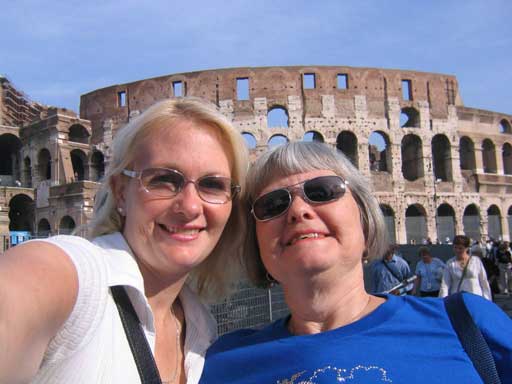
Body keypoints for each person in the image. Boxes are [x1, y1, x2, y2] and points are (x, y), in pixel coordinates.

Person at [199, 141, 512, 384]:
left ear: (364, 219)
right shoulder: (220, 363)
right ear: (256, 243)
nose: (298, 211)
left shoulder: (467, 324)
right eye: (273, 204)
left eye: (321, 191)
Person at [0, 97, 249, 384]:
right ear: (120, 193)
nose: (190, 207)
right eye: (163, 179)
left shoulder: (202, 329)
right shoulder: (81, 279)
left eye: (212, 185)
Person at [439, 235, 492, 301]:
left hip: (476, 298)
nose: (457, 250)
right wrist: (442, 301)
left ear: (467, 248)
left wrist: (487, 300)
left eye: (460, 248)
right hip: (458, 299)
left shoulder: (476, 261)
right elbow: (445, 284)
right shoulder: (450, 263)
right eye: (455, 248)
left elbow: (484, 282)